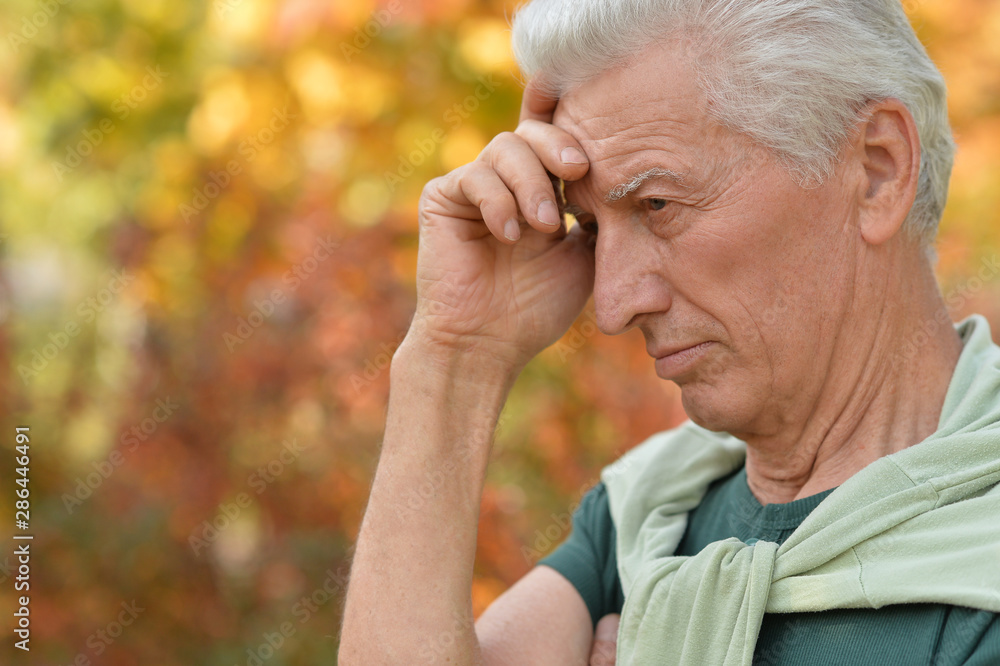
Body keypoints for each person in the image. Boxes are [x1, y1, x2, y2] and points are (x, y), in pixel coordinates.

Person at [338, 0, 1000, 663]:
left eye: (657, 204)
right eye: (592, 228)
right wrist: (456, 352)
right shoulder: (649, 515)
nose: (612, 305)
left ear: (878, 170)